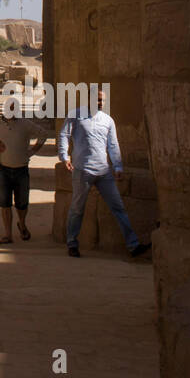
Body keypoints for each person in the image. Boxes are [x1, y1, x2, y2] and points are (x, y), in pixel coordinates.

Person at [58, 89, 152, 259]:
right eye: (98, 100)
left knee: (118, 207)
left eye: (103, 101)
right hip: (82, 171)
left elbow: (113, 145)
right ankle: (72, 243)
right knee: (77, 209)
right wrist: (64, 156)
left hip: (103, 171)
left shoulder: (108, 120)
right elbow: (64, 135)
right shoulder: (75, 115)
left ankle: (133, 245)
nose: (100, 103)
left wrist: (118, 167)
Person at [0, 109, 52, 242]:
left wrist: (32, 151)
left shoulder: (25, 124)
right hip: (3, 169)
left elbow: (43, 134)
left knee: (22, 203)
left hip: (21, 169)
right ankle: (8, 234)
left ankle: (22, 223)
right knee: (5, 203)